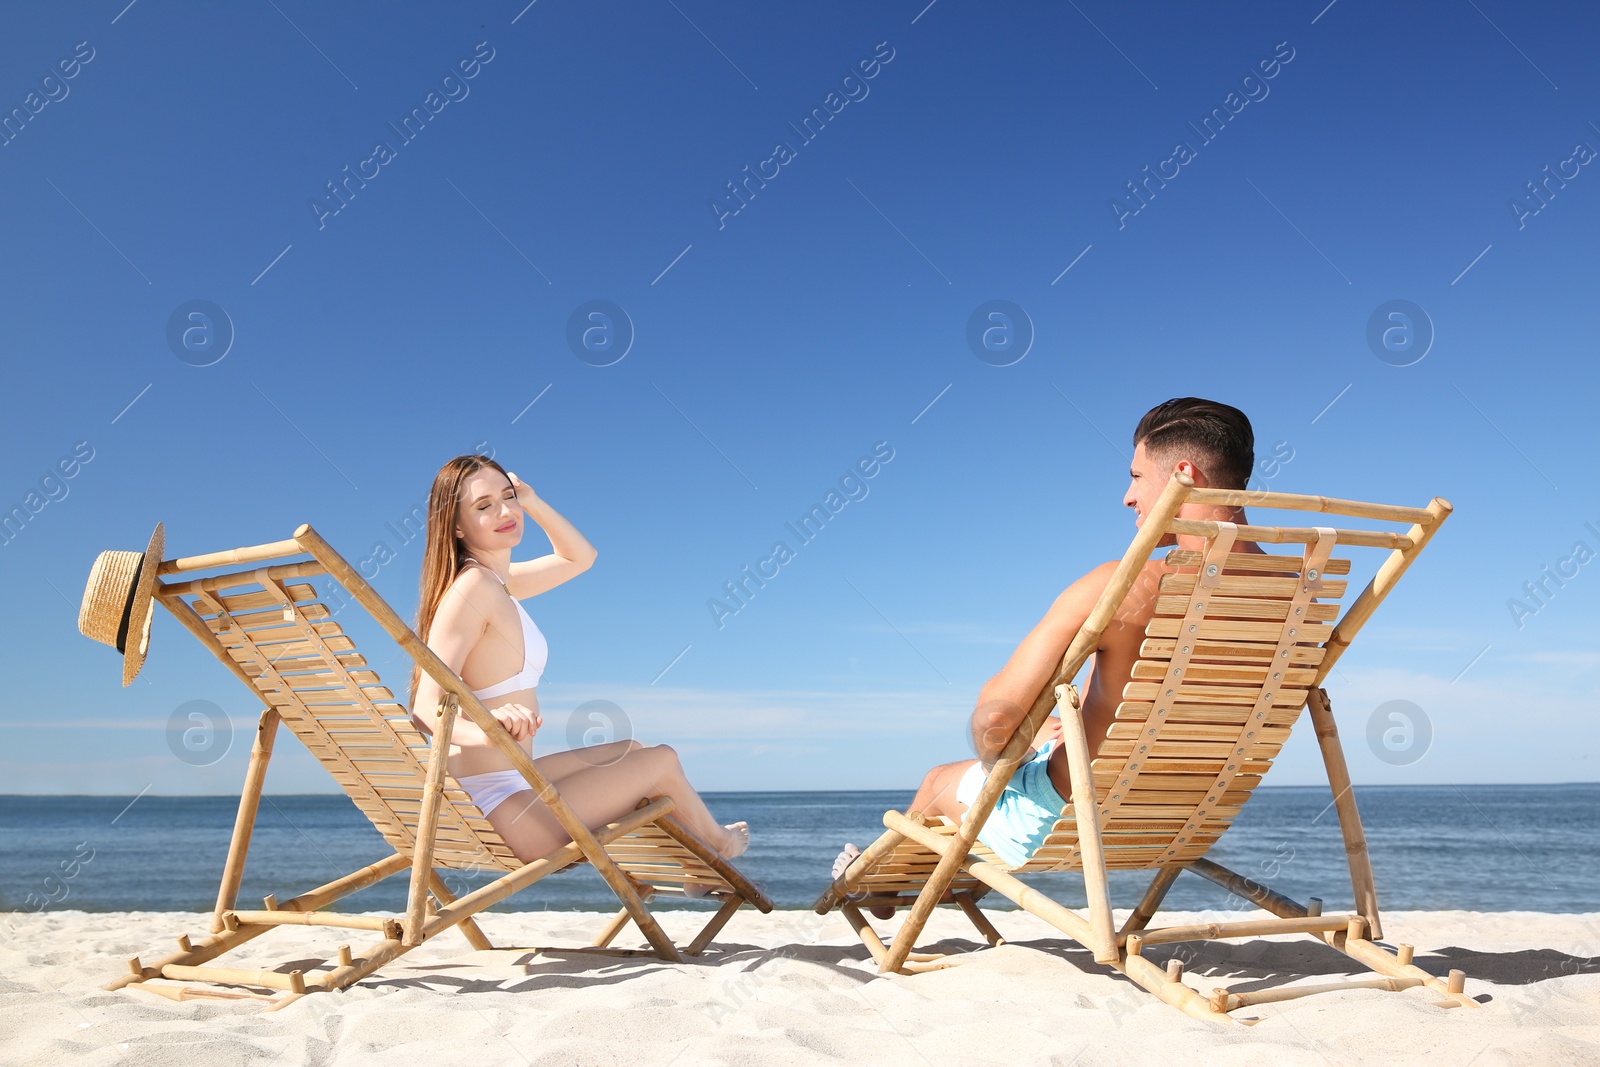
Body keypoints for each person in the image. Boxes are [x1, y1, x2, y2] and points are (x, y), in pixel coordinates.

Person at [833, 398, 1264, 913]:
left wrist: (1022, 741)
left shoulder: (1119, 586)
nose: (1128, 498)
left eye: (1135, 476)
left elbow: (994, 727)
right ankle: (938, 882)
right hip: (1194, 815)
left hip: (1080, 818)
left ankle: (880, 892)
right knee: (1030, 749)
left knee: (941, 779)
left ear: (1182, 475)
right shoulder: (1299, 590)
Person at [407, 454, 748, 866]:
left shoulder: (499, 582)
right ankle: (720, 846)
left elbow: (580, 557)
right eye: (484, 506)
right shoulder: (473, 589)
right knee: (662, 760)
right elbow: (424, 710)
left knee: (631, 750)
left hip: (512, 787)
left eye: (507, 497)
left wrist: (530, 499)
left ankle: (695, 868)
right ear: (457, 526)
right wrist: (490, 730)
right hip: (500, 809)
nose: (504, 511)